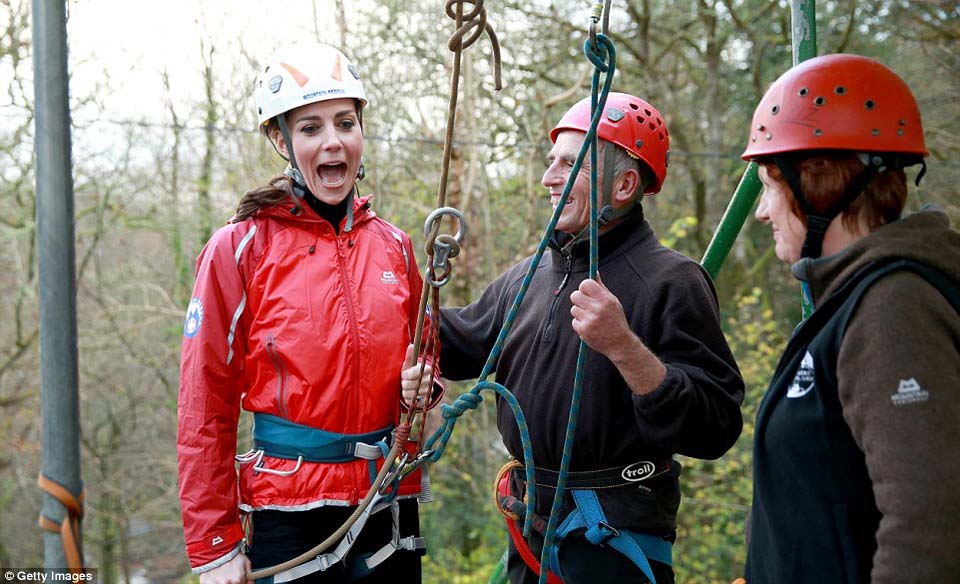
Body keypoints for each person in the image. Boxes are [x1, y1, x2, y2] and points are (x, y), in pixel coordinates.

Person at [435, 93, 745, 583]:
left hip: (615, 539)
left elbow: (715, 426)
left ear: (623, 184)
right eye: (550, 162)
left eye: (569, 165)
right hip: (532, 527)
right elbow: (456, 343)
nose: (548, 178)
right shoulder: (529, 278)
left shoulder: (671, 281)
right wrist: (393, 286)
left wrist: (624, 346)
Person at [177, 43, 440, 584]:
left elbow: (426, 371)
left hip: (387, 505)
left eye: (345, 123)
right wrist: (215, 547)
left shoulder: (395, 247)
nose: (333, 141)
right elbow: (204, 403)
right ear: (281, 140)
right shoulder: (240, 249)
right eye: (311, 128)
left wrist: (423, 391)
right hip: (289, 514)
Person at [742, 53, 960, 583]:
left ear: (819, 183)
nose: (762, 211)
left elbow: (928, 524)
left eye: (771, 185)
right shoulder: (852, 299)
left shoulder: (894, 307)